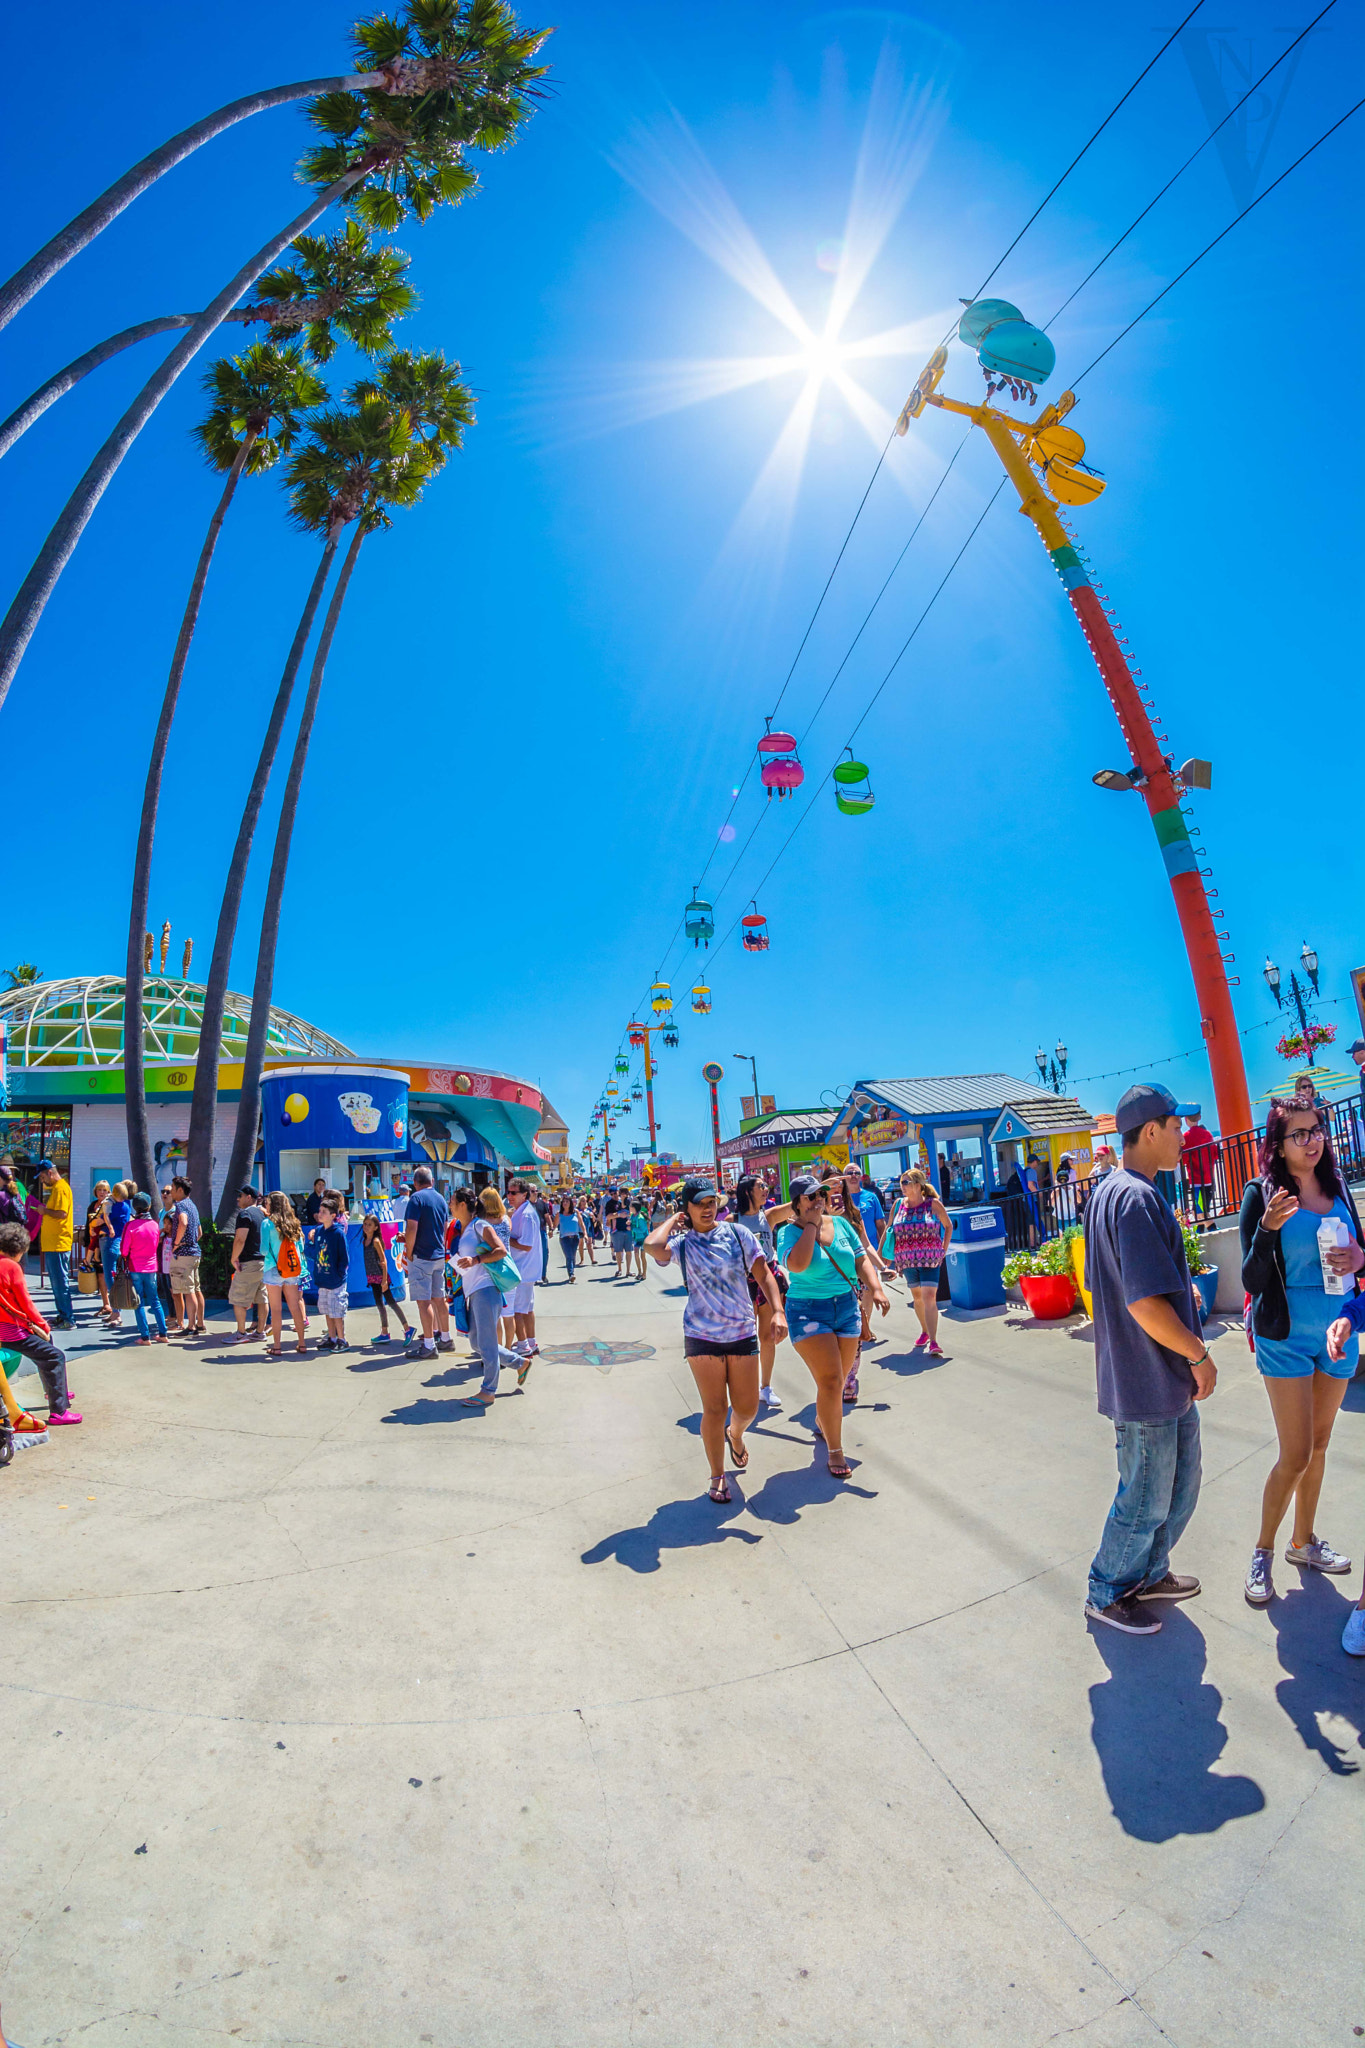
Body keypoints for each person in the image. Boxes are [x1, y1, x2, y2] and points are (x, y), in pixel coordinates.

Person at [1081, 1083, 1216, 1637]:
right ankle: (1108, 1589)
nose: (1184, 1135)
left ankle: (1148, 1574)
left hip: (1153, 1378)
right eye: (1177, 1125)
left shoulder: (1117, 1191)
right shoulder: (1134, 1196)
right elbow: (1141, 1301)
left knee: (1177, 1487)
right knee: (1144, 1498)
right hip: (1148, 1378)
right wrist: (1199, 1353)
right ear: (1152, 1130)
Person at [1239, 1098, 1363, 1606]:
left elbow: (1360, 1259)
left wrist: (1361, 1256)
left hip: (1337, 1334)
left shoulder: (1337, 1191)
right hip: (1284, 1336)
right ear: (1278, 1143)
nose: (1312, 1141)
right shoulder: (1261, 1194)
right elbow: (1251, 1279)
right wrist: (1267, 1228)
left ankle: (1302, 1542)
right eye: (1300, 1134)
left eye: (1317, 1131)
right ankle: (1262, 1551)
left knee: (1319, 1446)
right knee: (1294, 1454)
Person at [645, 1178, 787, 1503]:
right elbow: (652, 1246)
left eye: (712, 1202)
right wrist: (673, 1220)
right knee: (714, 1408)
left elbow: (764, 1273)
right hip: (701, 1336)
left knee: (747, 1407)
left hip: (741, 1331)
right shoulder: (682, 1244)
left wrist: (777, 1311)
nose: (708, 1208)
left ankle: (735, 1434)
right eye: (700, 1203)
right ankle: (717, 1474)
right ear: (688, 1209)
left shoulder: (739, 1235)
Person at [775, 1175, 889, 1479]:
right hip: (807, 1311)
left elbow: (860, 1259)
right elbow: (797, 1265)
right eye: (811, 1197)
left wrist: (875, 1287)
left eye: (821, 1195)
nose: (819, 1201)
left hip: (847, 1308)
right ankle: (835, 1450)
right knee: (830, 1381)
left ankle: (824, 1420)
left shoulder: (840, 1225)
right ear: (797, 1202)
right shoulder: (787, 1232)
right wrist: (811, 1225)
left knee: (836, 1383)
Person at [0, 1219, 81, 1423]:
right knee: (55, 1357)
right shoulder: (12, 1267)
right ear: (20, 1250)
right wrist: (43, 1325)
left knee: (46, 1348)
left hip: (3, 1330)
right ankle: (59, 1411)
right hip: (12, 1332)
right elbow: (26, 1303)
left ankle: (55, 1390)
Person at [454, 1187, 527, 1406]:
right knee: (477, 1342)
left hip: (486, 1288)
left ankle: (488, 1390)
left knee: (486, 1343)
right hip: (474, 1290)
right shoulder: (465, 1228)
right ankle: (519, 1363)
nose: (450, 1206)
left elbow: (501, 1250)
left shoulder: (480, 1225)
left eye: (452, 1202)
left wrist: (475, 1260)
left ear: (462, 1205)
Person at [887, 1167, 954, 1353]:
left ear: (917, 1185)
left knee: (929, 1297)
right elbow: (889, 1230)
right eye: (902, 1182)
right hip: (907, 1260)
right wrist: (883, 1260)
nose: (902, 1186)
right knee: (917, 1298)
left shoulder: (933, 1204)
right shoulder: (899, 1204)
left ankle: (933, 1341)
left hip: (930, 1258)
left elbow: (948, 1226)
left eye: (906, 1182)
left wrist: (943, 1250)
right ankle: (924, 1331)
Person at [735, 1175, 783, 1412]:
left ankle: (765, 1387)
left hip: (767, 1277)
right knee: (745, 1337)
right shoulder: (734, 1220)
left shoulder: (770, 1216)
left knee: (767, 1336)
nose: (766, 1189)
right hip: (743, 1281)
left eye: (766, 1186)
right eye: (761, 1186)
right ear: (747, 1192)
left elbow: (799, 1204)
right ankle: (745, 1389)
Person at [403, 1165, 452, 1359]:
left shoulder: (416, 1199)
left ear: (415, 1183)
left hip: (422, 1257)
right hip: (439, 1255)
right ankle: (446, 1338)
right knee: (439, 1299)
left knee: (424, 1303)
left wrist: (409, 1251)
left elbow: (412, 1228)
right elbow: (445, 1227)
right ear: (431, 1181)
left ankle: (429, 1345)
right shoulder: (440, 1199)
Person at [262, 1191, 308, 1356]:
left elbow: (263, 1249)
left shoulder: (267, 1223)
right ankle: (302, 1344)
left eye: (267, 1202)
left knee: (276, 1310)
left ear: (272, 1205)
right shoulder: (294, 1222)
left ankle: (277, 1347)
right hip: (292, 1268)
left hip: (273, 1269)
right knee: (295, 1307)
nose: (265, 1204)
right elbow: (301, 1247)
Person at [120, 1194, 167, 1344]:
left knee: (138, 1302)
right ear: (149, 1206)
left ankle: (145, 1336)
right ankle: (163, 1333)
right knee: (155, 1300)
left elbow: (124, 1251)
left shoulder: (131, 1226)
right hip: (151, 1267)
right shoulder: (154, 1224)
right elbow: (155, 1245)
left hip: (135, 1267)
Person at [504, 1180, 543, 1359]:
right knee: (527, 1309)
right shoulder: (523, 1212)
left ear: (524, 1194)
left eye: (514, 1193)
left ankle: (523, 1345)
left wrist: (504, 1238)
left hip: (523, 1269)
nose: (509, 1196)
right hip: (526, 1269)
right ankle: (530, 1342)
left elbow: (525, 1245)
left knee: (518, 1311)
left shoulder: (525, 1215)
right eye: (508, 1192)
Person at [361, 1211, 411, 1345]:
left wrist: (384, 1280)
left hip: (380, 1278)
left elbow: (384, 1262)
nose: (366, 1227)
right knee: (380, 1304)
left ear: (376, 1227)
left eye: (369, 1225)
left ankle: (407, 1328)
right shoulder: (365, 1241)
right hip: (372, 1278)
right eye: (365, 1224)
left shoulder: (376, 1241)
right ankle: (384, 1332)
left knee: (391, 1302)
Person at [38, 1158, 76, 1329]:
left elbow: (61, 1213)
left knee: (60, 1282)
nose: (41, 1180)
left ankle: (68, 1318)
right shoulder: (58, 1189)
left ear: (50, 1173)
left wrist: (44, 1211)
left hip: (58, 1244)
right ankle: (63, 1315)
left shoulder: (61, 1188)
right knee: (56, 1283)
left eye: (42, 1176)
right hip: (53, 1243)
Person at [228, 1185, 268, 1341]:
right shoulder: (262, 1214)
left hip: (248, 1262)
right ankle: (260, 1331)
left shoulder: (245, 1214)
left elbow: (240, 1239)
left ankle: (241, 1333)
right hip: (263, 1262)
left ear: (249, 1197)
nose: (238, 1198)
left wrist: (234, 1258)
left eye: (241, 1195)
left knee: (238, 1298)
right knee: (262, 1298)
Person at [167, 1174, 204, 1336]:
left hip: (183, 1255)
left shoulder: (181, 1206)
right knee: (196, 1289)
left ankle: (191, 1326)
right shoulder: (192, 1205)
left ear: (180, 1190)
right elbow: (199, 1232)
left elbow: (183, 1222)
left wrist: (176, 1243)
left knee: (188, 1291)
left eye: (173, 1189)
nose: (171, 1193)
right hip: (194, 1252)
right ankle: (200, 1324)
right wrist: (191, 1241)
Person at [313, 1197, 351, 1350]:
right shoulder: (319, 1231)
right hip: (323, 1279)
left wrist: (339, 1274)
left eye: (324, 1212)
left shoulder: (338, 1233)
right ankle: (332, 1337)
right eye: (320, 1211)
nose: (320, 1214)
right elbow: (313, 1251)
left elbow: (344, 1258)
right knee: (327, 1310)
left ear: (333, 1215)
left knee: (337, 1310)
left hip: (335, 1279)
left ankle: (342, 1339)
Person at [103, 1180, 132, 1329]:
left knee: (110, 1278)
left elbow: (103, 1218)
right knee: (113, 1276)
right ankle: (115, 1311)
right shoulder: (126, 1207)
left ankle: (116, 1312)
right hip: (121, 1242)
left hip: (111, 1241)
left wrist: (105, 1226)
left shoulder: (113, 1206)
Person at [1181, 1108, 1217, 1222]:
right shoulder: (1207, 1134)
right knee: (1201, 1207)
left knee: (1199, 1209)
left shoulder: (1186, 1137)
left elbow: (1184, 1159)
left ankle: (1212, 1229)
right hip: (1208, 1177)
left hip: (1195, 1179)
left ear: (1186, 1120)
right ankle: (1200, 1231)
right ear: (1199, 1117)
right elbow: (1215, 1154)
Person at [557, 1193, 583, 1280]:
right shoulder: (559, 1214)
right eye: (563, 1202)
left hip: (575, 1237)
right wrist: (550, 1230)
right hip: (564, 1238)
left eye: (567, 1201)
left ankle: (571, 1271)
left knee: (573, 1256)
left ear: (570, 1203)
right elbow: (554, 1225)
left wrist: (585, 1234)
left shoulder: (576, 1212)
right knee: (569, 1256)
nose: (565, 1203)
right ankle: (571, 1274)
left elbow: (581, 1223)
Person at [607, 1188, 632, 1278]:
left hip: (628, 1230)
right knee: (618, 1251)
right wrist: (618, 1215)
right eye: (622, 1193)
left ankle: (628, 1271)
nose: (623, 1195)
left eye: (625, 1193)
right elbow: (608, 1216)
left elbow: (635, 1213)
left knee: (629, 1251)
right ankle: (619, 1269)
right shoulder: (612, 1204)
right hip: (617, 1231)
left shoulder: (629, 1203)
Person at [630, 1199, 649, 1277]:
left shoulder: (640, 1218)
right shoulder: (632, 1216)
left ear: (634, 1208)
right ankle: (639, 1272)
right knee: (636, 1254)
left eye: (631, 1206)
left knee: (642, 1256)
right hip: (636, 1239)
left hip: (643, 1239)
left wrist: (632, 1228)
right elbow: (632, 1224)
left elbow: (643, 1229)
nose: (629, 1207)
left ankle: (644, 1273)